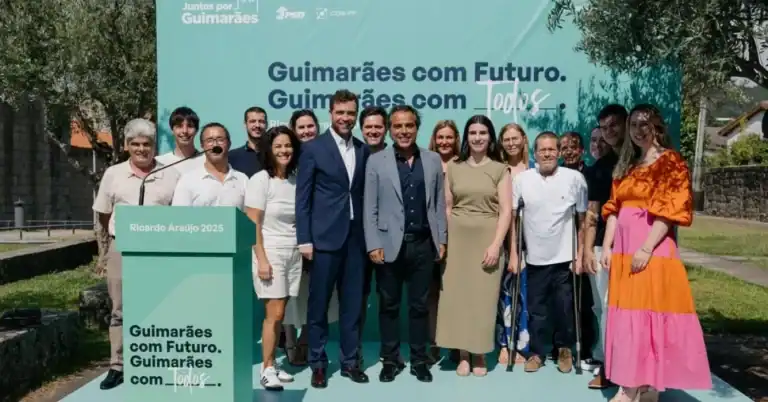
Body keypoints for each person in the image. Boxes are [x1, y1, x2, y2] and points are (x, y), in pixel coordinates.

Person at [601, 104, 711, 402]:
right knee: (629, 317)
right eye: (633, 124)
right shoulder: (628, 165)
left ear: (657, 127)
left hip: (650, 249)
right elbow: (614, 209)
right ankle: (641, 384)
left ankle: (635, 387)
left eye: (644, 124)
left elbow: (669, 211)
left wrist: (646, 247)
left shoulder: (670, 161)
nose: (638, 130)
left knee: (648, 314)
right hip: (624, 252)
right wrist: (608, 246)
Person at [92, 118, 181, 390]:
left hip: (160, 250)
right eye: (136, 144)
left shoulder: (171, 174)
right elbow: (104, 214)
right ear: (127, 146)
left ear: (154, 146)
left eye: (147, 144)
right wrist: (115, 241)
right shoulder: (113, 174)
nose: (142, 149)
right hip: (123, 247)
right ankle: (118, 365)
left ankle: (157, 362)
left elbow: (179, 213)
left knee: (160, 304)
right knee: (120, 309)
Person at [363, 105, 447, 383]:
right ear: (390, 129)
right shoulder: (376, 161)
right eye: (398, 126)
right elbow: (369, 207)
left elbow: (437, 205)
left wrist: (441, 239)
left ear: (417, 128)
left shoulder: (432, 159)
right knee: (388, 306)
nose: (404, 131)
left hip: (423, 244)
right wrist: (373, 243)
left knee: (419, 306)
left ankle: (419, 361)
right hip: (388, 245)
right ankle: (390, 360)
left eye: (409, 125)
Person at [296, 89, 371, 388]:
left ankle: (350, 362)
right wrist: (305, 239)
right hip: (324, 240)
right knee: (318, 306)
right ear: (330, 114)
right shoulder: (313, 148)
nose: (345, 118)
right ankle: (317, 363)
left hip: (356, 240)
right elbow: (303, 199)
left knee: (352, 306)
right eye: (340, 112)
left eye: (350, 113)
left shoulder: (363, 150)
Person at [435, 115, 511, 377]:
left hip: (487, 241)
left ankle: (479, 354)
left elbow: (506, 211)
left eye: (482, 133)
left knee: (483, 300)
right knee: (457, 299)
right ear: (466, 137)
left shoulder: (500, 169)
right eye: (473, 133)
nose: (477, 137)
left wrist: (496, 245)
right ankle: (463, 355)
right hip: (457, 243)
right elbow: (447, 206)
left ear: (490, 137)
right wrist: (446, 242)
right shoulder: (454, 167)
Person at [509, 131, 587, 374]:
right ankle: (538, 352)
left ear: (559, 152)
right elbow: (513, 219)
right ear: (534, 153)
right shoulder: (522, 180)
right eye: (542, 150)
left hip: (564, 257)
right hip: (535, 257)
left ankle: (564, 349)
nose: (547, 154)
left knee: (564, 306)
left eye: (552, 149)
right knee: (537, 308)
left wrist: (580, 253)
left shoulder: (574, 179)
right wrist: (514, 253)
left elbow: (582, 220)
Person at [245, 126, 303, 391]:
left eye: (288, 145)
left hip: (293, 252)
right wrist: (262, 259)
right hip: (270, 252)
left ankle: (272, 364)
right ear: (269, 150)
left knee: (281, 314)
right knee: (274, 313)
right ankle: (266, 369)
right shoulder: (260, 180)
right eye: (278, 146)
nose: (284, 150)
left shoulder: (295, 179)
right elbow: (253, 222)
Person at [583, 104, 627, 389]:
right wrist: (587, 249)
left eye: (614, 126)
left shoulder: (637, 161)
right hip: (602, 246)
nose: (609, 132)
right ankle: (605, 358)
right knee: (602, 305)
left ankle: (618, 364)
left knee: (617, 306)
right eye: (604, 127)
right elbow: (592, 212)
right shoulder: (600, 168)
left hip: (633, 244)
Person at [495, 123, 532, 366]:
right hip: (504, 240)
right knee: (505, 295)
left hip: (531, 241)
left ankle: (523, 345)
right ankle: (504, 344)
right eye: (506, 139)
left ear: (523, 139)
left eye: (515, 138)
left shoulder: (534, 169)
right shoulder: (498, 169)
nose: (511, 143)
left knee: (526, 296)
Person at [357, 105, 389, 366]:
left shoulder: (397, 155)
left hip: (389, 239)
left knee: (389, 298)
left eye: (378, 126)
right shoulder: (353, 153)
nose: (373, 131)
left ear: (386, 128)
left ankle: (390, 351)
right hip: (357, 239)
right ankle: (353, 349)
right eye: (368, 127)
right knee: (358, 297)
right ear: (361, 129)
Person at [426, 120, 460, 363]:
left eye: (449, 137)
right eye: (440, 137)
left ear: (456, 139)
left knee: (455, 293)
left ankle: (456, 343)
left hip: (459, 236)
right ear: (434, 139)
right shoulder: (426, 162)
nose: (444, 142)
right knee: (431, 294)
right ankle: (433, 342)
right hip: (430, 237)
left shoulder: (464, 164)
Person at [171, 123, 248, 208]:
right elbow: (179, 215)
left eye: (220, 140)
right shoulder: (187, 180)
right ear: (202, 145)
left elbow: (250, 214)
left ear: (229, 144)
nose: (215, 145)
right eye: (209, 140)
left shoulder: (243, 180)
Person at [156, 106, 205, 174]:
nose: (185, 131)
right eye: (179, 126)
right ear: (172, 130)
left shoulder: (206, 161)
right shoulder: (159, 162)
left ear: (196, 130)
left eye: (190, 126)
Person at [230, 106, 268, 177]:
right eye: (252, 121)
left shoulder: (274, 155)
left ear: (266, 125)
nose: (257, 125)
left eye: (261, 121)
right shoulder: (232, 156)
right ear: (245, 124)